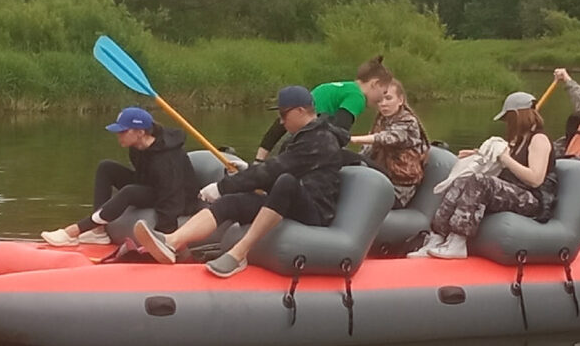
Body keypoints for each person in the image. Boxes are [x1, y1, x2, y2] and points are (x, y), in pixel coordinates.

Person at [137, 85, 348, 278]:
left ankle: (239, 254)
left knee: (286, 182)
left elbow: (276, 170)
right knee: (231, 202)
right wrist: (247, 172)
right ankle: (172, 241)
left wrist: (222, 186)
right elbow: (281, 167)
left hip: (314, 212)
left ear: (301, 111)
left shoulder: (320, 140)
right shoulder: (301, 138)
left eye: (284, 115)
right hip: (290, 202)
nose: (281, 121)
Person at [411, 91, 556, 259]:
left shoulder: (539, 140)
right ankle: (437, 236)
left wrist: (505, 158)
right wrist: (477, 154)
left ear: (516, 116)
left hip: (532, 200)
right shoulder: (519, 139)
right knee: (463, 179)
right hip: (514, 192)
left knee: (479, 182)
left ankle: (458, 240)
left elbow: (535, 179)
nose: (507, 124)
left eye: (508, 119)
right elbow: (502, 162)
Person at [41, 105, 199, 246]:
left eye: (123, 131)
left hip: (181, 200)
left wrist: (162, 238)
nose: (119, 136)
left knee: (130, 191)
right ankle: (98, 231)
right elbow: (145, 178)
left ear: (140, 132)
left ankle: (74, 231)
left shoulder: (167, 159)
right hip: (154, 186)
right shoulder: (136, 147)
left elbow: (172, 199)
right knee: (106, 167)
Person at [254, 56, 392, 160]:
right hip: (309, 142)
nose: (382, 99)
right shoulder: (357, 97)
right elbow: (339, 130)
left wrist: (259, 160)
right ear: (375, 84)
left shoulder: (341, 87)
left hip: (294, 141)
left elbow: (280, 125)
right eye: (384, 92)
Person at [349, 78, 430, 208]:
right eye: (380, 100)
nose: (383, 104)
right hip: (379, 180)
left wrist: (354, 139)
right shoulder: (381, 121)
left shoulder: (408, 122)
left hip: (398, 190)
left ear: (400, 100)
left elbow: (388, 137)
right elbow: (367, 149)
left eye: (388, 98)